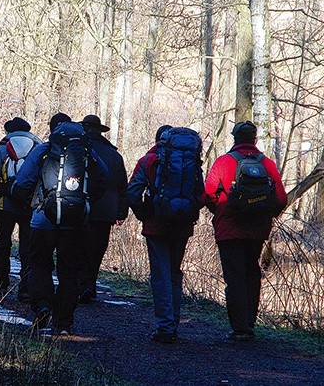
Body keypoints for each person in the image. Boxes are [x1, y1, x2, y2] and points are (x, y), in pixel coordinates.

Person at [11, 112, 110, 336]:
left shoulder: (44, 150)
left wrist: (26, 201)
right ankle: (63, 322)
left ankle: (43, 307)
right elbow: (103, 179)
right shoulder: (86, 151)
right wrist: (84, 203)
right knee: (69, 271)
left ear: (53, 130)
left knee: (38, 264)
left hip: (43, 219)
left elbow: (24, 181)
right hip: (75, 221)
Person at [204, 120, 287, 341]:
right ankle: (249, 323)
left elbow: (208, 194)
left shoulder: (223, 162)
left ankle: (239, 327)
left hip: (229, 230)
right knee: (252, 273)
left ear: (234, 139)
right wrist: (264, 214)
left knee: (235, 276)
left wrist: (223, 211)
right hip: (257, 231)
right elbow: (281, 198)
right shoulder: (267, 164)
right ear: (255, 139)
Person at [127, 125, 203, 343]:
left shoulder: (148, 160)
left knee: (160, 274)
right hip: (183, 225)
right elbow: (201, 193)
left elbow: (132, 194)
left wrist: (144, 214)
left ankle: (165, 327)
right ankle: (174, 323)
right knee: (174, 273)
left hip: (155, 226)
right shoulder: (190, 159)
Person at [0, 117, 43, 300]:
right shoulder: (37, 150)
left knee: (3, 243)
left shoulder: (3, 150)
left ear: (9, 131)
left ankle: (0, 283)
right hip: (30, 204)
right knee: (27, 245)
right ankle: (25, 287)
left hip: (5, 204)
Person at [78, 115, 128, 303]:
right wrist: (121, 211)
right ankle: (89, 284)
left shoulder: (81, 149)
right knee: (97, 249)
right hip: (106, 211)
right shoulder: (114, 155)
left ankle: (82, 286)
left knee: (80, 247)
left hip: (82, 207)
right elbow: (123, 186)